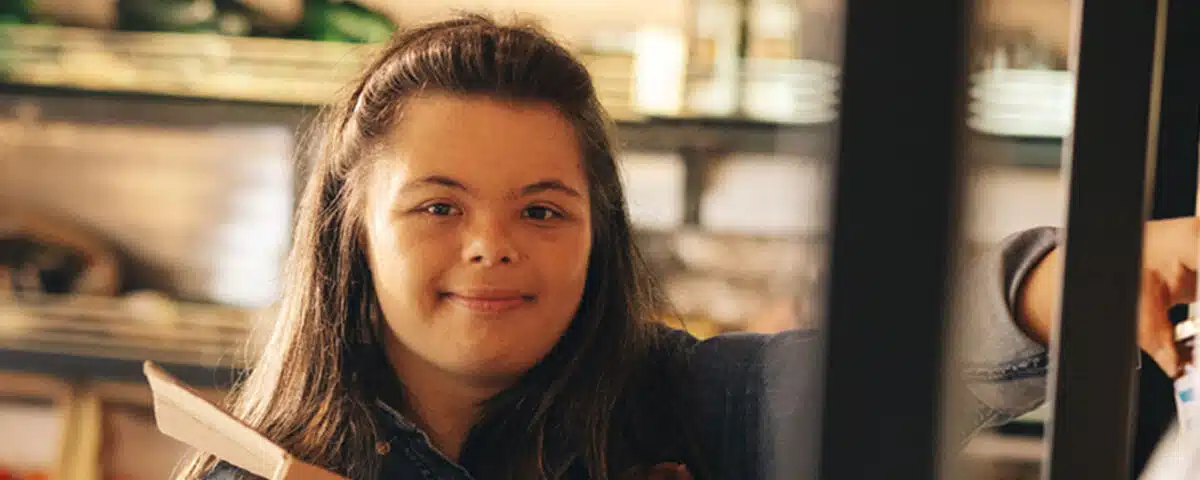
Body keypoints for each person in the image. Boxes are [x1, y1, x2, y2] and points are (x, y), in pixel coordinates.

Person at [185, 14, 1196, 480]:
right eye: (438, 208)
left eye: (543, 209)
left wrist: (1058, 280)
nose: (492, 246)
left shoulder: (685, 406)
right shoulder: (260, 472)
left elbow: (879, 367)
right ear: (345, 234)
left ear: (599, 233)